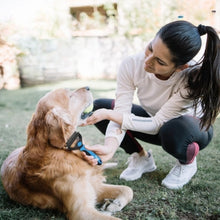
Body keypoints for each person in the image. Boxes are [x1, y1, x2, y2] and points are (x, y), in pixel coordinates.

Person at [81, 20, 220, 190]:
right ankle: (141, 158)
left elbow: (157, 125)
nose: (147, 60)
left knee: (172, 129)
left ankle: (187, 162)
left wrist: (110, 115)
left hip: (190, 130)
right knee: (102, 106)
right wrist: (110, 147)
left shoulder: (190, 79)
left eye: (160, 62)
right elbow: (121, 111)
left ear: (180, 67)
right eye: (151, 48)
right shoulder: (131, 64)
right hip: (157, 123)